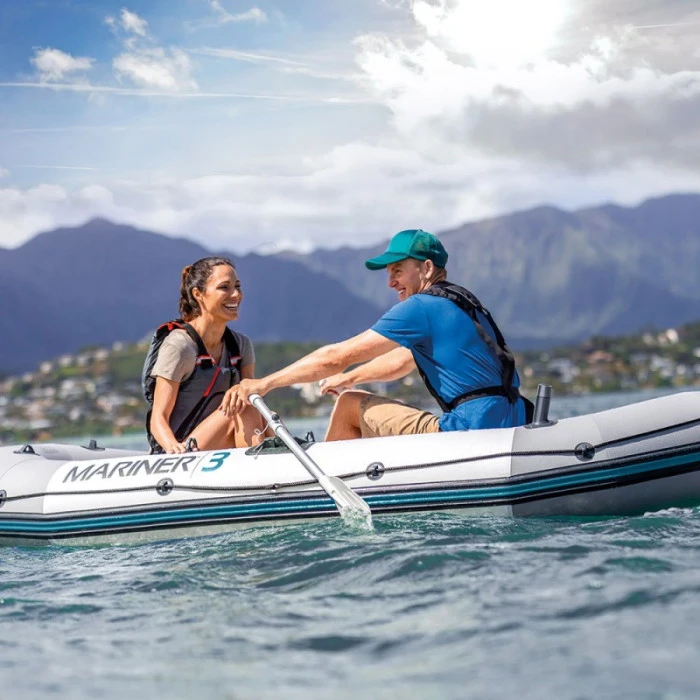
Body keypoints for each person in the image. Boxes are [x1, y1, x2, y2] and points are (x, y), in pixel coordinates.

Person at [218, 229, 530, 441]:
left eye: (398, 271)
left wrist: (263, 383)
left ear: (426, 268)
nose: (391, 282)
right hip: (510, 422)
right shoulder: (461, 304)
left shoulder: (421, 307)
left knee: (349, 405)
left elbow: (337, 357)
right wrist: (350, 378)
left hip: (469, 431)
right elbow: (402, 361)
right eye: (388, 273)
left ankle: (321, 491)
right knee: (351, 394)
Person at [144, 256, 266, 453]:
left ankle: (275, 461)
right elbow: (158, 418)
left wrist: (243, 390)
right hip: (181, 450)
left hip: (219, 443)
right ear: (198, 294)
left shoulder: (241, 345)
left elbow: (251, 396)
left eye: (237, 286)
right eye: (224, 287)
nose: (236, 294)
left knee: (253, 405)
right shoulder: (180, 346)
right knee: (242, 406)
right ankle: (260, 463)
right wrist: (174, 449)